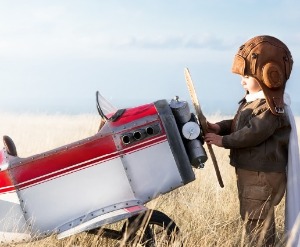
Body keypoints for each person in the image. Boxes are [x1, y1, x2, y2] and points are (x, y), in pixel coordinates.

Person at [204, 35, 297, 246]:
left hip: (261, 175)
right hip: (254, 173)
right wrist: (220, 127)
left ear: (268, 75)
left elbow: (253, 132)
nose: (242, 80)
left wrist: (223, 141)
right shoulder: (256, 103)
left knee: (257, 222)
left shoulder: (271, 109)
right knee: (256, 218)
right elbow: (242, 122)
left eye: (247, 75)